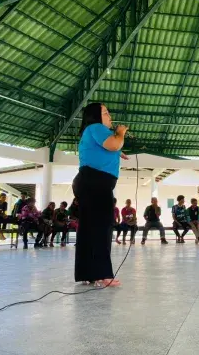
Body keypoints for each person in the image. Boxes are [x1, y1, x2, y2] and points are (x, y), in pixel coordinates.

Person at [73, 103, 128, 287]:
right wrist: (120, 133)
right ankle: (103, 274)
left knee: (89, 230)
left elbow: (108, 149)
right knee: (102, 227)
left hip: (90, 182)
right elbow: (113, 144)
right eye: (105, 112)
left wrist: (118, 150)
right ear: (96, 116)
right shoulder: (96, 127)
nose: (109, 116)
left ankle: (88, 273)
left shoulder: (92, 131)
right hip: (96, 183)